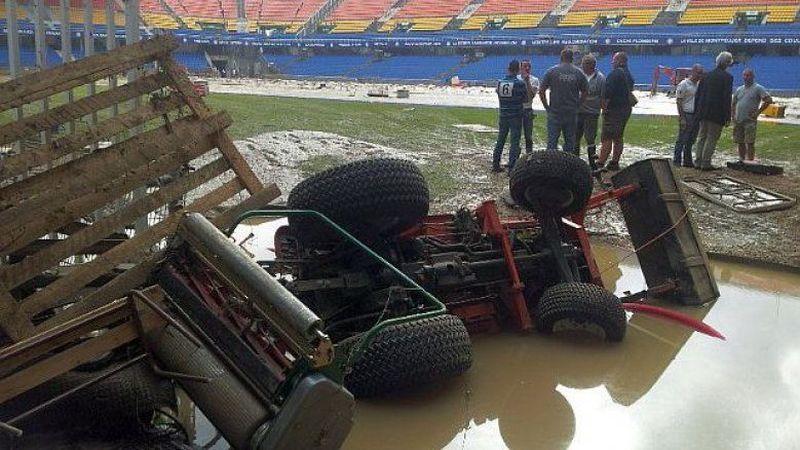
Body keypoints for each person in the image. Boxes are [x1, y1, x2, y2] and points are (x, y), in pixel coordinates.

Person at [539, 49, 588, 153]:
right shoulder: (579, 73)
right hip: (571, 112)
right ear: (572, 58)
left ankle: (552, 163)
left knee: (552, 143)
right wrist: (578, 105)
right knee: (570, 142)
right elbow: (585, 92)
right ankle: (568, 165)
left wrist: (547, 107)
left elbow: (542, 90)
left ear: (561, 57)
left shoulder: (551, 71)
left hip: (555, 112)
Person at [693, 51, 734, 171]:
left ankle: (698, 161)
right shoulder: (727, 77)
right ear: (727, 63)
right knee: (711, 138)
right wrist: (727, 116)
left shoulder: (705, 76)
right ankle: (706, 163)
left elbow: (698, 94)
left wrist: (697, 111)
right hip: (717, 113)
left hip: (703, 111)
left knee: (701, 137)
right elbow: (726, 98)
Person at [492, 59, 532, 174]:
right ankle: (512, 167)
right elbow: (526, 99)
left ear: (508, 68)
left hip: (503, 115)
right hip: (515, 116)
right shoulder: (520, 84)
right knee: (514, 142)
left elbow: (498, 94)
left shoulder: (500, 82)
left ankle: (495, 164)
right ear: (518, 70)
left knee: (500, 139)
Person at [597, 52, 635, 171]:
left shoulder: (614, 74)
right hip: (625, 109)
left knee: (607, 137)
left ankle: (600, 163)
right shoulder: (629, 75)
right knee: (618, 137)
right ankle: (614, 162)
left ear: (620, 61)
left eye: (614, 60)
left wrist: (604, 109)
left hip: (614, 110)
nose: (612, 62)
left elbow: (607, 94)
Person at [732, 68, 773, 162]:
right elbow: (733, 103)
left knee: (750, 142)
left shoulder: (758, 88)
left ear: (753, 76)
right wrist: (733, 115)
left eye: (748, 75)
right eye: (744, 75)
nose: (746, 77)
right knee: (739, 141)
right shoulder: (739, 89)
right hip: (739, 120)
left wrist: (758, 112)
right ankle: (741, 159)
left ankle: (750, 161)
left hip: (749, 120)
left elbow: (768, 100)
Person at [576, 54, 605, 164]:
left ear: (591, 65)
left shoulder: (600, 78)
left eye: (584, 64)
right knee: (575, 138)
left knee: (590, 138)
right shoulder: (578, 75)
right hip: (578, 112)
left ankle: (592, 164)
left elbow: (602, 97)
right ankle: (575, 162)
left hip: (592, 113)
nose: (582, 66)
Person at [673, 64, 704, 167]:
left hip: (696, 115)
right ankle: (677, 161)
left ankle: (687, 161)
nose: (700, 75)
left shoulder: (699, 84)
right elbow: (679, 101)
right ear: (693, 72)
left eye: (701, 73)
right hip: (687, 114)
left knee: (691, 140)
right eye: (698, 73)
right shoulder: (684, 84)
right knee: (682, 139)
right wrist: (682, 117)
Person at [519, 59, 540, 153]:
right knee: (516, 136)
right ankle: (514, 158)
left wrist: (527, 82)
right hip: (517, 110)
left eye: (529, 66)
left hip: (527, 109)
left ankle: (529, 155)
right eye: (525, 66)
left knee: (528, 136)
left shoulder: (534, 80)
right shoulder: (516, 79)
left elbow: (531, 96)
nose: (527, 68)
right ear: (520, 68)